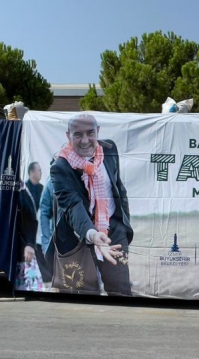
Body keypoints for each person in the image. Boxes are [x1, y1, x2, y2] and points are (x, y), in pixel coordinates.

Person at [49, 113, 133, 296]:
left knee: (121, 290)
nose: (85, 140)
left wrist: (123, 224)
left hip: (113, 230)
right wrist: (93, 234)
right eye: (78, 134)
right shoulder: (60, 167)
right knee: (84, 294)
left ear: (98, 132)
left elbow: (118, 187)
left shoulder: (109, 149)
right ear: (68, 136)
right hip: (77, 235)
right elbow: (72, 205)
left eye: (90, 133)